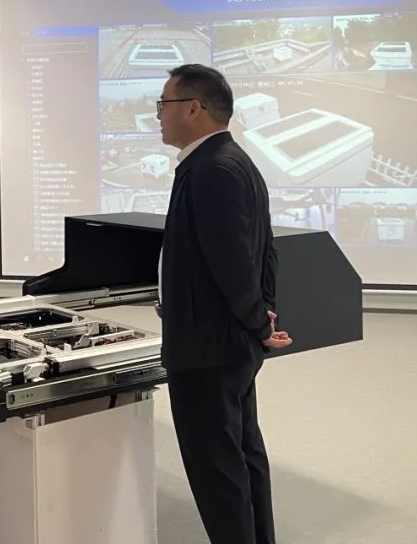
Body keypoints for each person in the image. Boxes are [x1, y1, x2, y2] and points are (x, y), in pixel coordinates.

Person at [156, 64, 293, 544]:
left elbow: (233, 263)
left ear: (193, 108)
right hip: (228, 342)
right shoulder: (233, 161)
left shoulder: (211, 169)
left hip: (207, 347)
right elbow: (265, 252)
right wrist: (264, 317)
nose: (158, 114)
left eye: (164, 103)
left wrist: (259, 321)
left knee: (217, 470)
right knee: (242, 455)